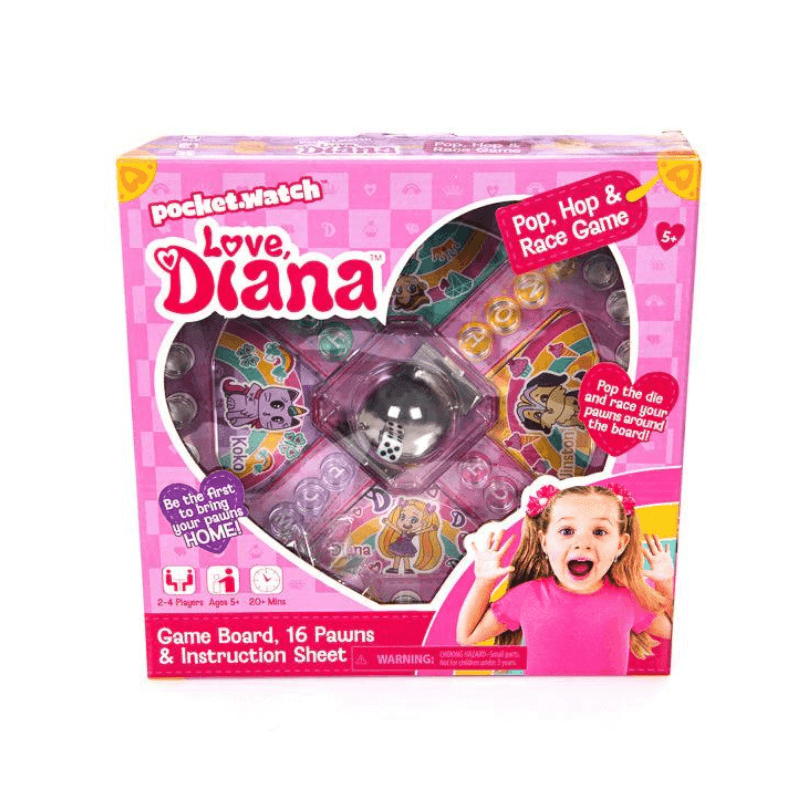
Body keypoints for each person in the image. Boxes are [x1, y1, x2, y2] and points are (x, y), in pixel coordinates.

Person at [456, 483, 674, 675]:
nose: (582, 543)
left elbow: (673, 630)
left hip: (607, 705)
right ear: (544, 542)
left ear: (620, 544)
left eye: (599, 532)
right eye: (567, 531)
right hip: (541, 703)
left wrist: (665, 583)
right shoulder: (527, 596)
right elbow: (467, 636)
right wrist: (483, 582)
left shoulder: (628, 599)